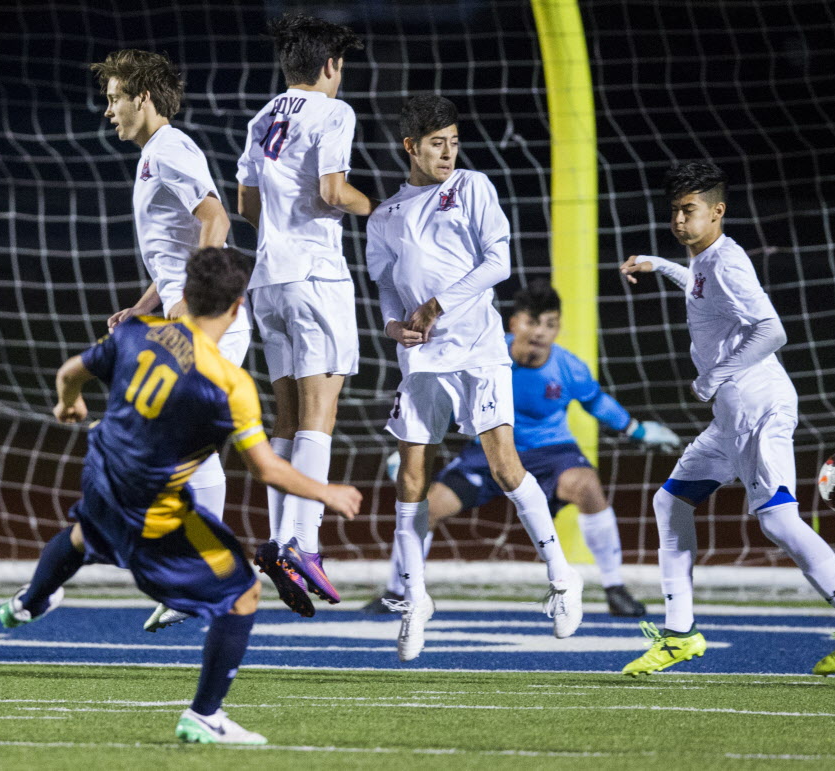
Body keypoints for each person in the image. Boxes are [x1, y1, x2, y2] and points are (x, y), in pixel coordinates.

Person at [0, 247, 362, 744]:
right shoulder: (228, 382)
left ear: (183, 295)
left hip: (101, 476)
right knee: (243, 594)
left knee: (84, 536)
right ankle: (205, 714)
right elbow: (267, 469)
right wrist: (327, 492)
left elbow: (69, 374)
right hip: (153, 513)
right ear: (237, 309)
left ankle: (27, 602)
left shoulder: (134, 333)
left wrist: (69, 405)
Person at [618, 162, 835, 676]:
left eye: (690, 211)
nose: (680, 221)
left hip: (758, 406)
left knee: (779, 521)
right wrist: (659, 264)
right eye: (675, 212)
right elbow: (699, 289)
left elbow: (772, 330)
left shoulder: (727, 262)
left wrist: (715, 375)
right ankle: (680, 635)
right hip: (732, 416)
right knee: (671, 501)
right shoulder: (703, 260)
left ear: (717, 212)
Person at [365, 95, 584, 662]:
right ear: (410, 146)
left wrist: (436, 304)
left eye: (454, 141)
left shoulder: (472, 187)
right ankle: (415, 599)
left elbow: (498, 262)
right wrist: (394, 326)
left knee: (504, 463)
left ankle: (562, 579)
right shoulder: (386, 216)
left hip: (478, 349)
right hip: (422, 360)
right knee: (409, 477)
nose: (448, 152)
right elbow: (387, 286)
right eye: (437, 143)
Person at [363, 281, 681, 617]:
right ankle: (398, 591)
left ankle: (615, 588)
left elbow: (595, 401)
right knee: (428, 507)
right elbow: (445, 394)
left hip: (550, 453)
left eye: (550, 324)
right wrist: (413, 447)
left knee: (588, 487)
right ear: (514, 323)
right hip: (488, 452)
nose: (541, 333)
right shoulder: (485, 354)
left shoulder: (568, 367)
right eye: (533, 322)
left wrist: (637, 429)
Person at [90, 49, 252, 632]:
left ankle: (205, 575)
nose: (108, 110)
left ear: (144, 98)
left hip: (208, 323)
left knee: (173, 437)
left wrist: (190, 301)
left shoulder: (171, 150)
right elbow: (175, 250)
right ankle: (198, 574)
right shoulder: (153, 157)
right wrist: (142, 307)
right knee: (174, 438)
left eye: (115, 98)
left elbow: (215, 221)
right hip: (194, 316)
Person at [235, 14, 377, 616]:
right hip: (316, 275)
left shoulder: (262, 116)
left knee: (288, 418)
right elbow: (331, 191)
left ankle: (280, 539)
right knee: (321, 412)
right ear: (330, 66)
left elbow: (246, 203)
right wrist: (377, 206)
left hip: (268, 278)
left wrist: (279, 229)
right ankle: (303, 542)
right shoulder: (333, 112)